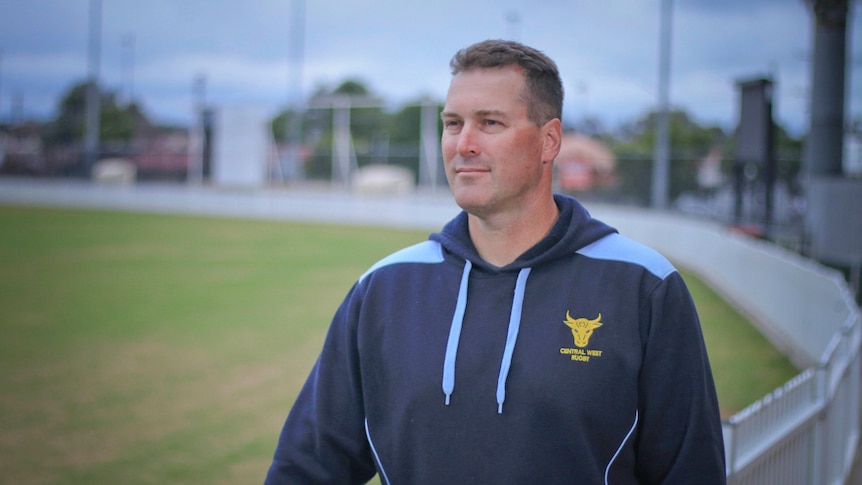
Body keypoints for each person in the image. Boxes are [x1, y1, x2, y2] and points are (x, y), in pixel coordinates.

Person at [264, 39, 726, 484]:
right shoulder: (385, 287)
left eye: (489, 123)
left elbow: (691, 472)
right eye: (452, 123)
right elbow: (307, 468)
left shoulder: (643, 286)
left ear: (549, 142)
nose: (463, 143)